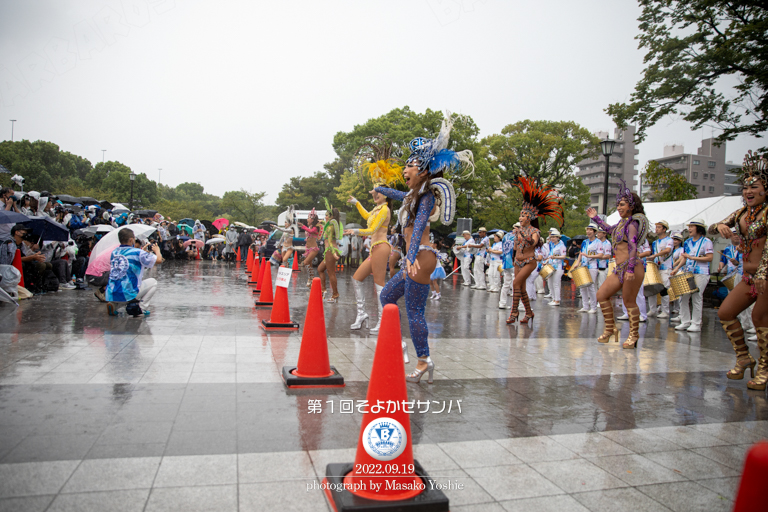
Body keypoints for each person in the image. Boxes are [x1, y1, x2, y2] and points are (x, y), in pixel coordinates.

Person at [376, 112, 473, 382]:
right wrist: (380, 186)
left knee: (415, 311)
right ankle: (401, 345)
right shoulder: (413, 194)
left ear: (423, 170)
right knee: (386, 298)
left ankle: (423, 360)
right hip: (414, 256)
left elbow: (418, 226)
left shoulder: (427, 196)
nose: (404, 171)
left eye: (409, 166)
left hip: (420, 257)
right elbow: (398, 194)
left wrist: (409, 256)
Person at [711, 150, 768, 389]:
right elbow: (713, 227)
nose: (748, 192)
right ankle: (744, 357)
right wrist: (721, 226)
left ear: (765, 189)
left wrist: (763, 273)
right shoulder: (742, 213)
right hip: (747, 277)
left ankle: (764, 368)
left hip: (765, 276)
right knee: (725, 312)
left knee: (759, 318)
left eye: (754, 187)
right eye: (745, 188)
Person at [588, 180, 651, 348]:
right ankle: (610, 329)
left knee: (629, 301)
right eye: (618, 204)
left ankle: (633, 335)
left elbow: (632, 246)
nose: (619, 207)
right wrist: (595, 218)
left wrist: (630, 269)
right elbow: (609, 230)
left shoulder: (633, 223)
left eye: (622, 204)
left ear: (631, 206)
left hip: (632, 267)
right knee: (601, 295)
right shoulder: (622, 223)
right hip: (620, 267)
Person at [345, 160, 401, 331]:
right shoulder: (377, 209)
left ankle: (383, 319)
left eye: (378, 192)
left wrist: (355, 232)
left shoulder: (384, 210)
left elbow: (372, 229)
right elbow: (367, 216)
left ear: (385, 194)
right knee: (356, 278)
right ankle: (362, 314)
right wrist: (356, 203)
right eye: (374, 192)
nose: (375, 194)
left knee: (379, 284)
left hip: (381, 247)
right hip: (374, 249)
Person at [507, 177, 564, 324]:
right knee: (522, 289)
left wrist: (520, 234)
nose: (520, 217)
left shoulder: (534, 231)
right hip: (517, 262)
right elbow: (515, 247)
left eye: (523, 215)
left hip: (529, 262)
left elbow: (532, 243)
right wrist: (513, 257)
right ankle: (529, 313)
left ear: (530, 218)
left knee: (515, 284)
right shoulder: (518, 231)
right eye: (520, 215)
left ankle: (514, 312)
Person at [106, 227, 163, 317]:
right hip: (128, 292)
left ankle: (115, 305)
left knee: (123, 286)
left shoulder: (114, 252)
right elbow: (159, 260)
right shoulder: (137, 253)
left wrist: (141, 252)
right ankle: (141, 308)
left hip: (112, 292)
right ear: (131, 240)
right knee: (153, 282)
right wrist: (157, 251)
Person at [670, 219, 713, 332]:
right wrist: (677, 268)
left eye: (692, 226)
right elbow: (684, 257)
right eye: (689, 227)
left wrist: (692, 258)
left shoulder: (706, 241)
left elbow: (710, 258)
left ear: (698, 228)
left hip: (701, 272)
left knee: (696, 297)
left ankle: (696, 323)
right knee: (684, 296)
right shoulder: (688, 242)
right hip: (688, 271)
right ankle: (685, 321)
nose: (689, 229)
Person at [646, 220, 674, 318]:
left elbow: (668, 250)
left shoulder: (669, 240)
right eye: (656, 227)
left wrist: (655, 255)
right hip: (656, 267)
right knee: (651, 287)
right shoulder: (655, 242)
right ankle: (652, 309)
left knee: (664, 288)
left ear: (664, 229)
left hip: (666, 268)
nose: (656, 229)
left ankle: (665, 311)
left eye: (659, 227)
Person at [573, 222, 602, 314]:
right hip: (583, 266)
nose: (588, 232)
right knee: (582, 286)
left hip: (592, 266)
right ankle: (585, 306)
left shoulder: (598, 242)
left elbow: (601, 255)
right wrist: (577, 262)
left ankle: (593, 307)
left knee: (591, 286)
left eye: (590, 230)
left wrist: (589, 256)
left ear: (594, 232)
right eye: (587, 230)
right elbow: (581, 253)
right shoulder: (585, 242)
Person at [317, 200, 342, 302]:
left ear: (331, 217)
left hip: (331, 251)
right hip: (329, 251)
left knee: (331, 273)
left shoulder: (330, 228)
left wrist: (334, 254)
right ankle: (324, 290)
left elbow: (330, 242)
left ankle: (335, 293)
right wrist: (320, 222)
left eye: (327, 215)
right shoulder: (329, 225)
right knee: (320, 269)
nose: (325, 217)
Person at [543, 229, 566, 306]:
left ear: (558, 237)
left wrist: (555, 257)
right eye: (551, 237)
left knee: (556, 283)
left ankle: (557, 300)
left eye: (554, 237)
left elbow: (563, 256)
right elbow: (550, 256)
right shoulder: (551, 245)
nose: (552, 238)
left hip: (558, 267)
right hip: (551, 266)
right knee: (550, 283)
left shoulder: (561, 246)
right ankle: (553, 298)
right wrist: (546, 262)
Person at [299, 209, 322, 286]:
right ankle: (311, 279)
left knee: (305, 262)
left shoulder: (315, 227)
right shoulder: (310, 226)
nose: (307, 219)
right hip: (308, 248)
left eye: (309, 218)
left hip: (314, 248)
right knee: (309, 263)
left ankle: (310, 278)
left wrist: (303, 226)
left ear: (312, 219)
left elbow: (311, 231)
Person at [498, 224, 518, 309]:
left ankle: (502, 303)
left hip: (506, 262)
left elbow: (503, 249)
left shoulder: (506, 236)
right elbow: (515, 249)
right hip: (514, 262)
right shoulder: (517, 237)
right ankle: (516, 305)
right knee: (516, 284)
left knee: (506, 284)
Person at [595, 225, 612, 290]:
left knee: (601, 285)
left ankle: (601, 299)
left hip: (603, 267)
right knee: (594, 284)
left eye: (599, 233)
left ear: (604, 234)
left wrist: (598, 257)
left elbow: (608, 256)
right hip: (595, 266)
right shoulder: (597, 242)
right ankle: (594, 299)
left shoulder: (607, 243)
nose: (598, 234)